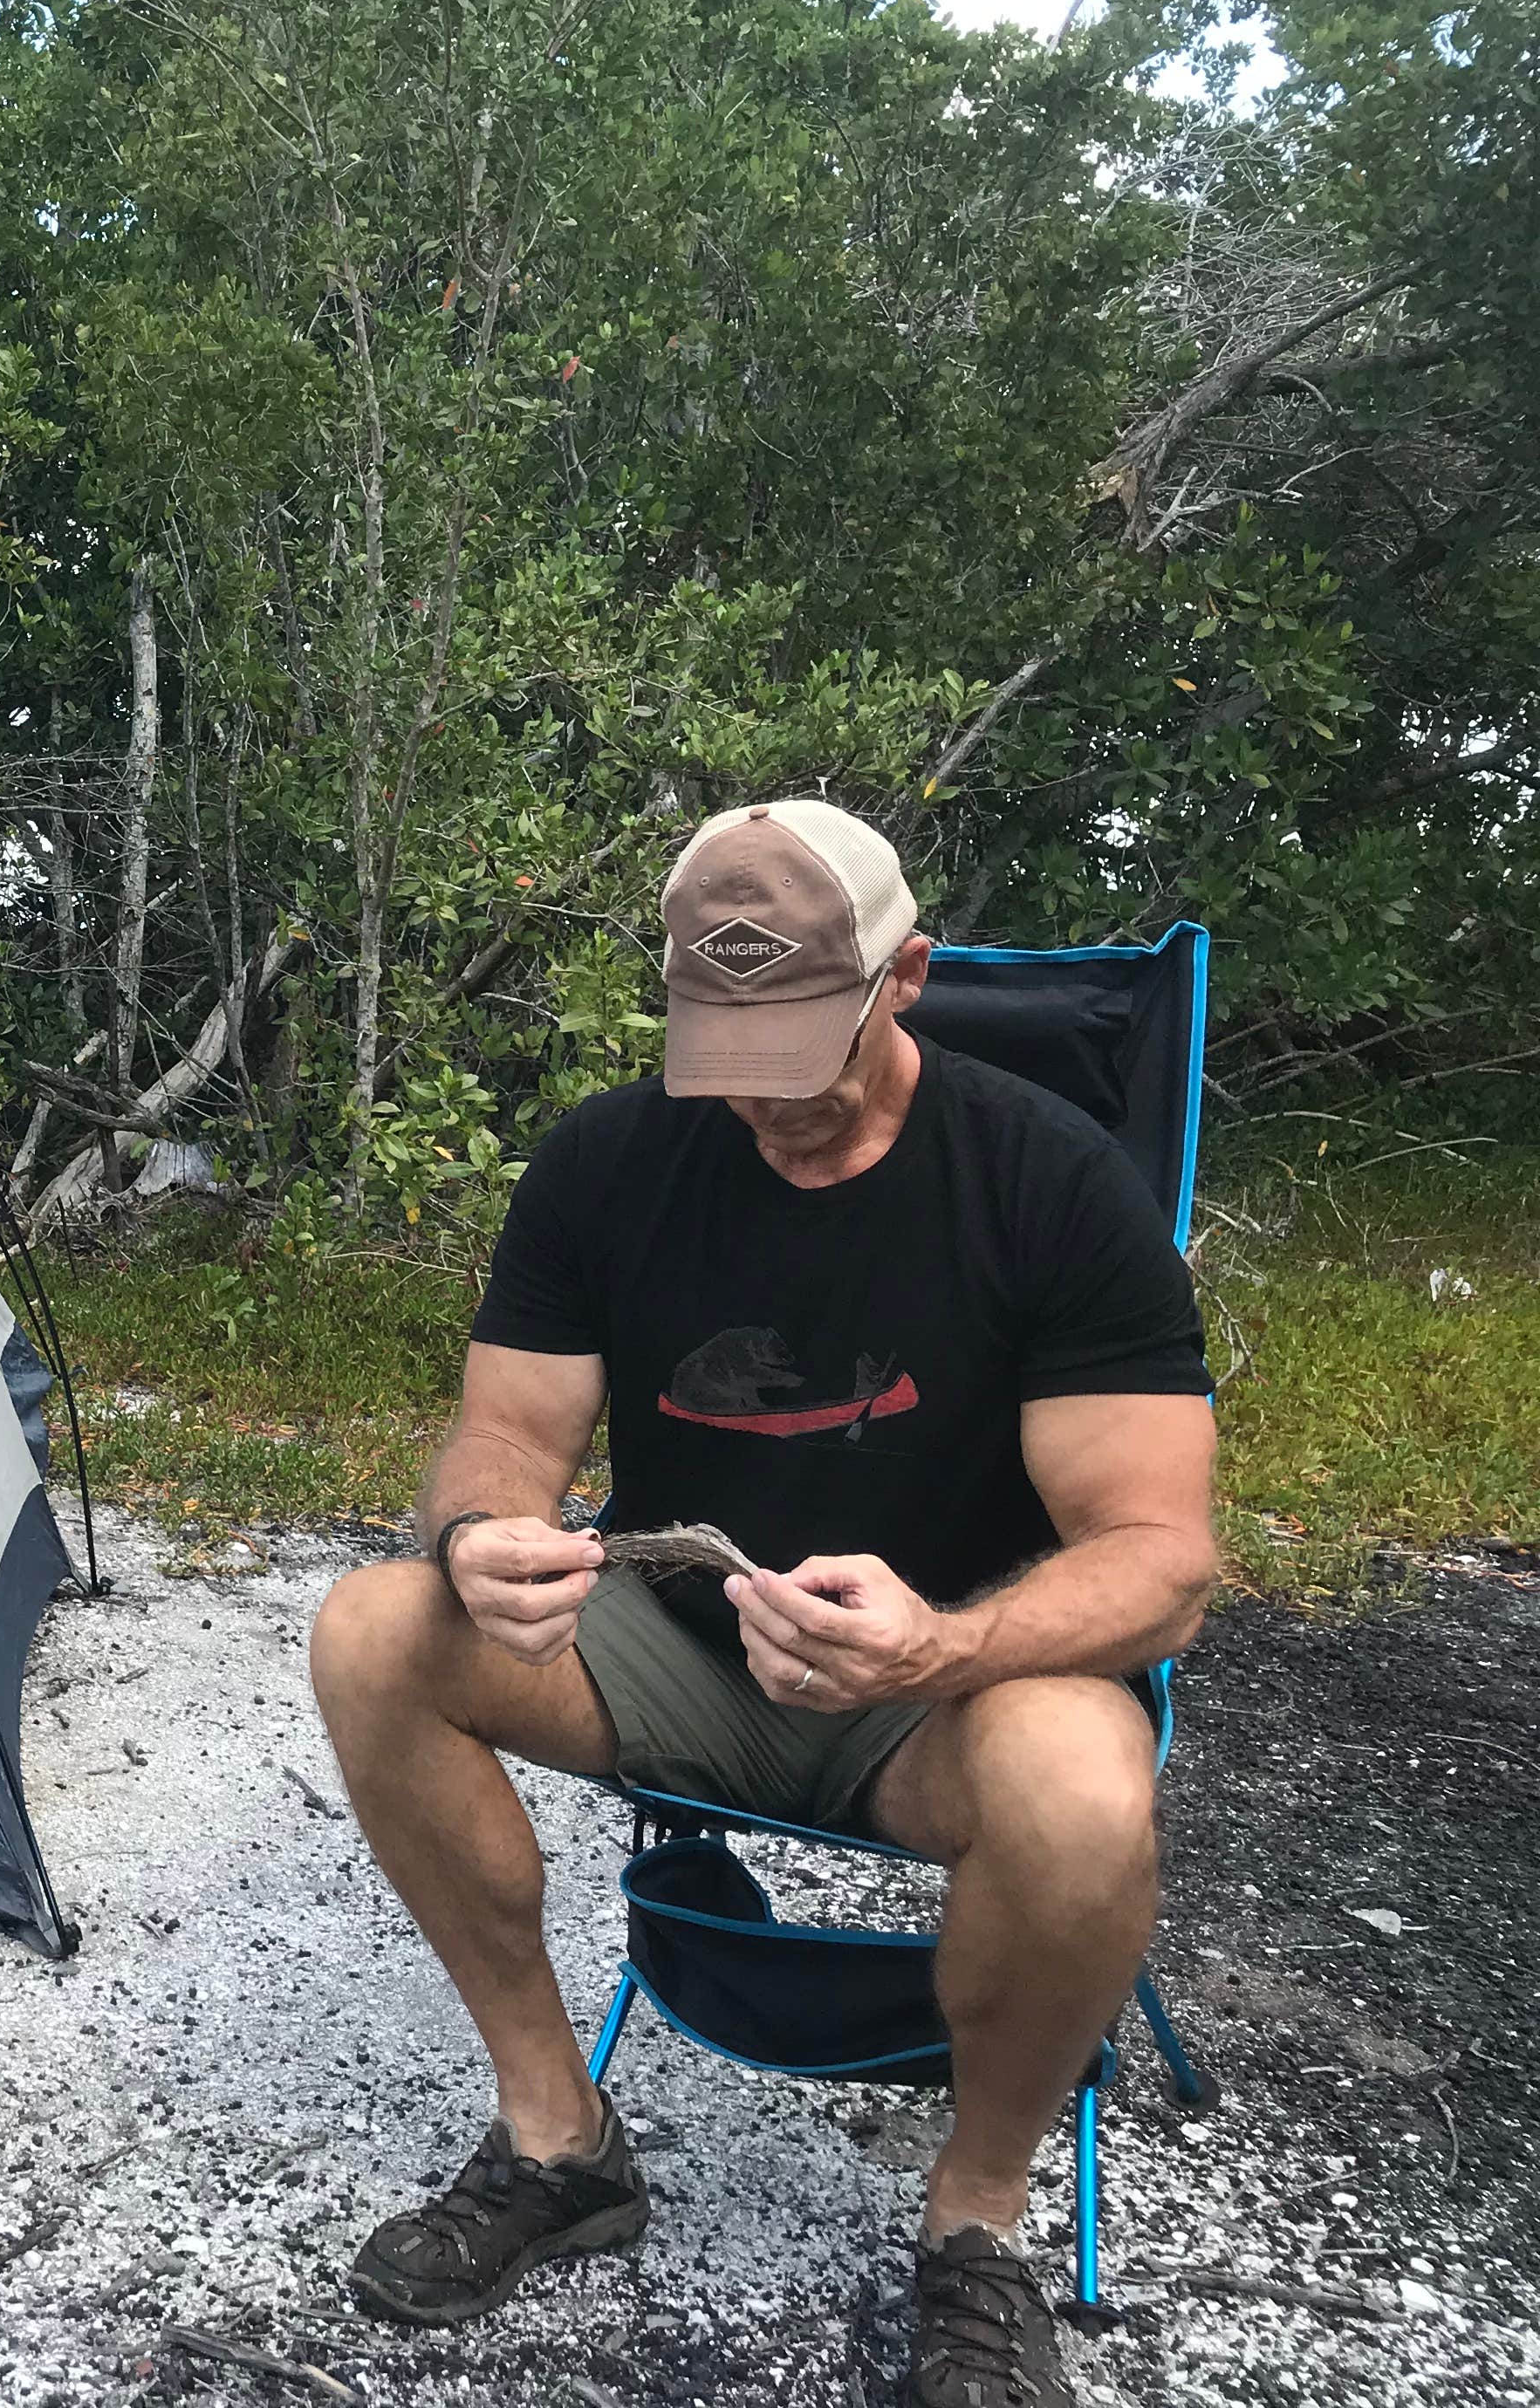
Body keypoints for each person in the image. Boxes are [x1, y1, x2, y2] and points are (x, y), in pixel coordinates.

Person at [305, 799, 1215, 2408]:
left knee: (1081, 1790)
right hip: (683, 1649)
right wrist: (480, 1534)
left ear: (909, 977)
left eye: (807, 1047)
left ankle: (977, 2228)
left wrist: (943, 1643)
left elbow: (1161, 1558)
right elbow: (505, 1437)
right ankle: (561, 2142)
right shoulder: (607, 1158)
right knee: (375, 1630)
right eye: (726, 1051)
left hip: (941, 1692)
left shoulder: (1051, 1183)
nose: (771, 1104)